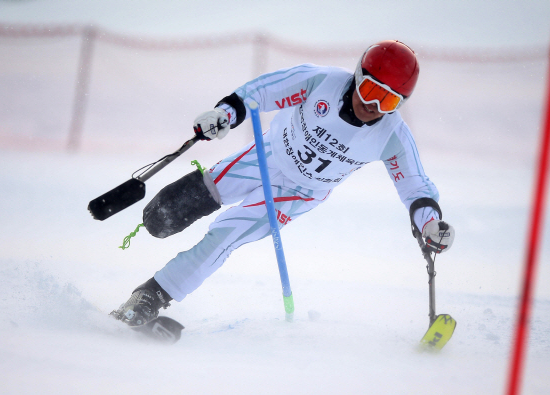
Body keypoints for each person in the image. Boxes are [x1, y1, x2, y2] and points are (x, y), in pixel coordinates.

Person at [110, 40, 456, 327]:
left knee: (224, 236)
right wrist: (225, 114)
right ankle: (159, 221)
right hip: (265, 155)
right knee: (162, 216)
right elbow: (263, 91)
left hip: (296, 193)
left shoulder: (392, 135)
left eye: (389, 100)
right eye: (369, 89)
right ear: (357, 76)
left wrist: (430, 225)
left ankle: (149, 297)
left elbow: (416, 187)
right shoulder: (321, 81)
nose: (372, 104)